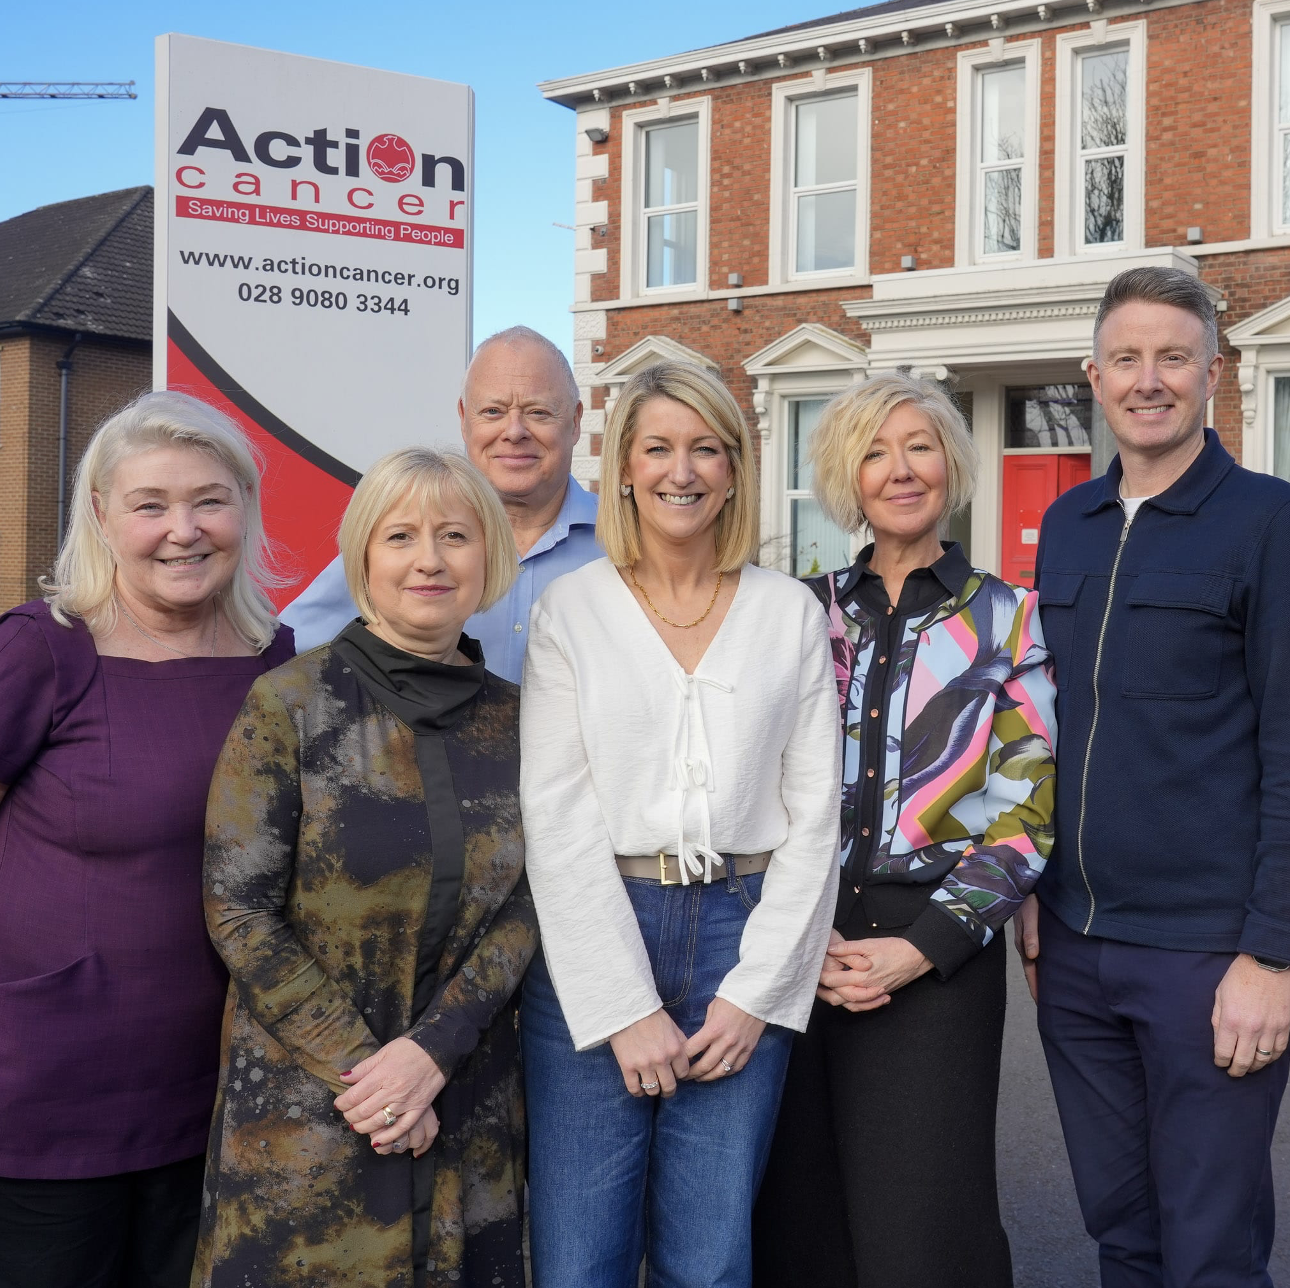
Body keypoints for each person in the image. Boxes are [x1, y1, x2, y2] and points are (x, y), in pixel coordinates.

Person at [519, 360, 842, 1288]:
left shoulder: (788, 613)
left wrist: (757, 995)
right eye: (657, 448)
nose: (681, 470)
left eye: (706, 449)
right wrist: (622, 1007)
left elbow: (814, 819)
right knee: (582, 1257)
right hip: (598, 932)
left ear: (736, 469)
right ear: (622, 466)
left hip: (745, 935)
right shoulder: (570, 612)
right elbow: (558, 816)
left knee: (710, 1258)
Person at [194, 447, 537, 1288]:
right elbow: (237, 909)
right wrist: (371, 1076)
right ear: (363, 559)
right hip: (312, 1112)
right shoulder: (291, 703)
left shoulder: (520, 721)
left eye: (455, 535)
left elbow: (531, 900)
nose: (429, 559)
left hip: (466, 1096)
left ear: (487, 554)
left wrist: (431, 1055)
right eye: (401, 536)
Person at [1013, 265, 1290, 1286]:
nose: (1149, 378)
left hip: (1210, 958)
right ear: (1094, 374)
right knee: (1122, 1233)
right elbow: (1036, 730)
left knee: (1211, 1248)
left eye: (1174, 356)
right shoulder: (1070, 529)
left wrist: (1273, 954)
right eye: (1126, 357)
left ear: (1213, 373)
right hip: (1075, 950)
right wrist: (1032, 892)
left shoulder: (1270, 522)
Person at [753, 372, 1057, 1288]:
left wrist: (920, 949)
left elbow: (1027, 813)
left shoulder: (1009, 618)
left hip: (937, 951)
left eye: (919, 446)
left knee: (924, 1226)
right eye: (875, 452)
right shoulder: (797, 613)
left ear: (951, 464)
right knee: (797, 1213)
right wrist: (805, 934)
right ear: (848, 476)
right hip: (797, 940)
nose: (899, 470)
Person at [0, 392, 293, 1288]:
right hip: (53, 1095)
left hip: (224, 1087)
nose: (184, 530)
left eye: (210, 499)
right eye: (150, 505)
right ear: (100, 515)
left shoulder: (276, 661)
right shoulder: (46, 650)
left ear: (243, 509)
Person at [282, 326, 599, 678]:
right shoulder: (404, 542)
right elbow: (290, 651)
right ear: (464, 420)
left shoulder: (629, 544)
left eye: (538, 412)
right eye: (493, 411)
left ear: (574, 422)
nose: (514, 431)